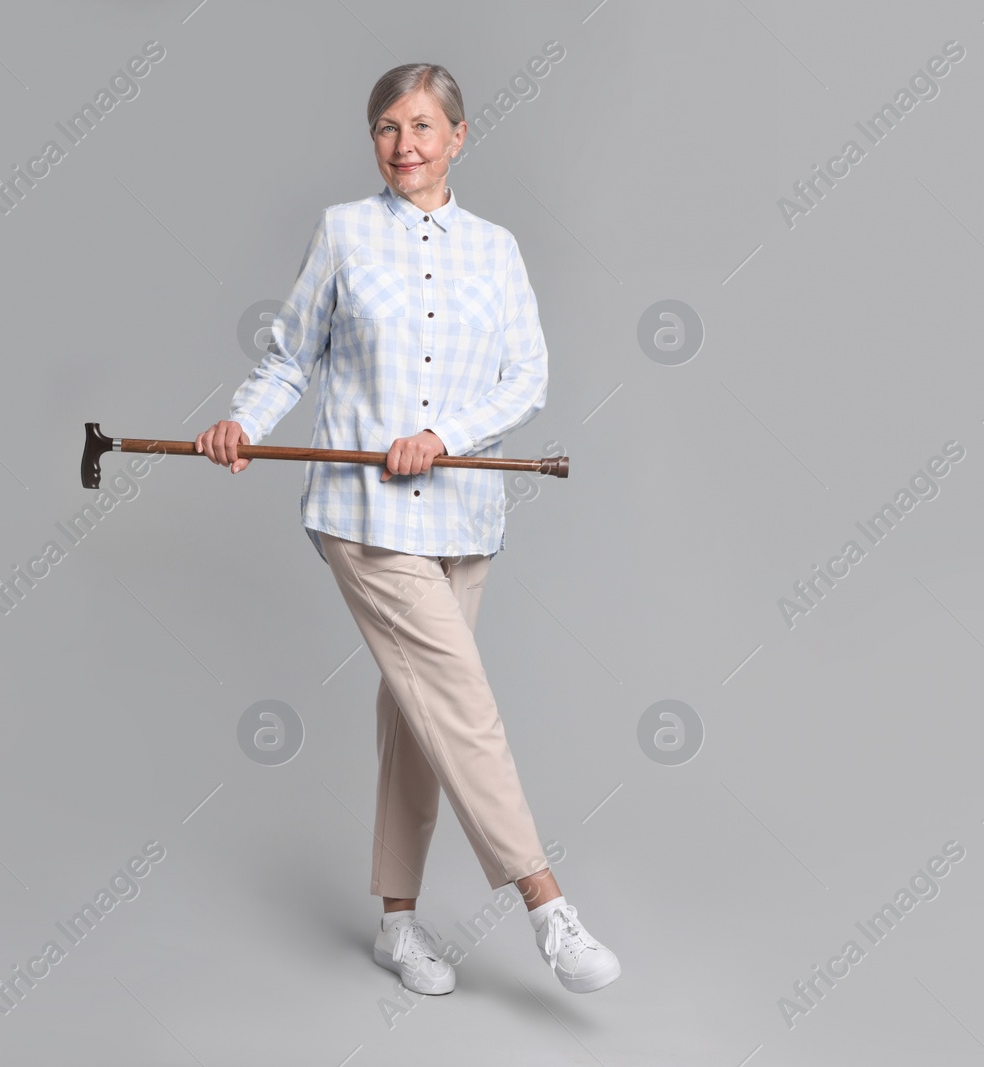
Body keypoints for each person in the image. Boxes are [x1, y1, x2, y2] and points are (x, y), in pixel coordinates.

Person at [196, 63, 619, 997]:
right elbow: (289, 355)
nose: (405, 145)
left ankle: (395, 923)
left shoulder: (497, 249)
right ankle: (547, 905)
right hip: (364, 513)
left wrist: (444, 436)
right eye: (387, 127)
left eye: (423, 126)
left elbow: (526, 379)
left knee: (418, 717)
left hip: (465, 519)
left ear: (458, 137)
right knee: (462, 705)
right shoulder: (345, 233)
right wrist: (243, 423)